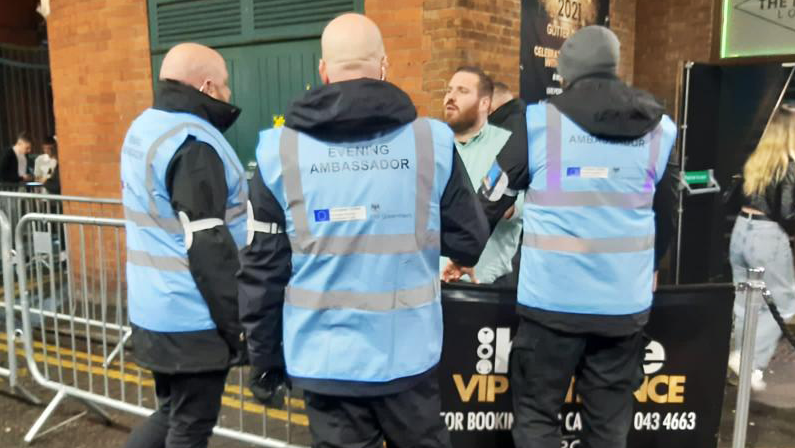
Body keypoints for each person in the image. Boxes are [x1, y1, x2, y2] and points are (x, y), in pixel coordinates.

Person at [239, 13, 489, 448]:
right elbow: (470, 239)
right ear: (384, 66)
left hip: (326, 362)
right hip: (408, 358)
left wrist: (263, 361)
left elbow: (263, 269)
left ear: (323, 70)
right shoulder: (431, 142)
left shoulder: (280, 151)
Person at [452, 26, 679, 448]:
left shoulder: (538, 123)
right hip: (623, 308)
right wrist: (650, 267)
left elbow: (489, 199)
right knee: (608, 428)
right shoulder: (660, 130)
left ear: (567, 70)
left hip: (550, 308)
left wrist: (465, 255)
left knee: (537, 419)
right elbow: (666, 215)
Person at [120, 43, 248, 448]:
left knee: (172, 415)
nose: (229, 95)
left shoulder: (146, 126)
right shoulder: (194, 143)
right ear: (208, 86)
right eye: (225, 86)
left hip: (154, 310)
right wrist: (237, 326)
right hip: (193, 318)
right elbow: (208, 245)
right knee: (189, 428)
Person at [729, 106, 795, 392]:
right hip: (768, 236)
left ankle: (737, 357)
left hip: (742, 229)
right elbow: (787, 211)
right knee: (784, 304)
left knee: (744, 303)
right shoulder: (788, 165)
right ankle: (750, 362)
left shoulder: (756, 160)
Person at [440, 67, 523, 285]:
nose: (451, 96)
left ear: (485, 103)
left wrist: (505, 203)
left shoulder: (509, 146)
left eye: (462, 91)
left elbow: (523, 205)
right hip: (433, 282)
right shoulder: (433, 144)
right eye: (449, 90)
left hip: (485, 284)